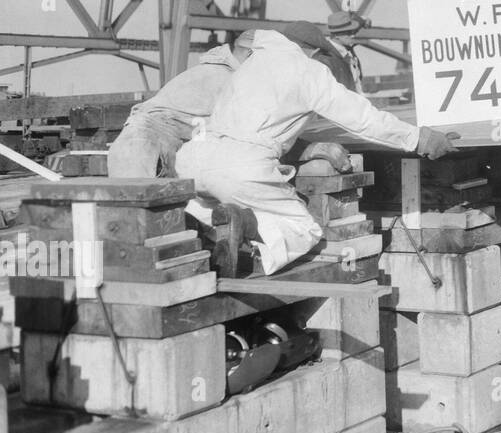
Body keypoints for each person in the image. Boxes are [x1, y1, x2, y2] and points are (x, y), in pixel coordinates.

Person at [175, 22, 456, 275]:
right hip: (239, 166)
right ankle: (247, 226)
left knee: (204, 208)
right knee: (303, 230)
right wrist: (419, 139)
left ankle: (206, 238)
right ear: (312, 51)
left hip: (193, 157)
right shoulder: (308, 71)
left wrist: (306, 149)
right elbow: (363, 119)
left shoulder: (254, 61)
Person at [107, 32, 254, 177]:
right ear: (250, 54)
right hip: (145, 152)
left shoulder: (210, 72)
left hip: (138, 147)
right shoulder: (227, 81)